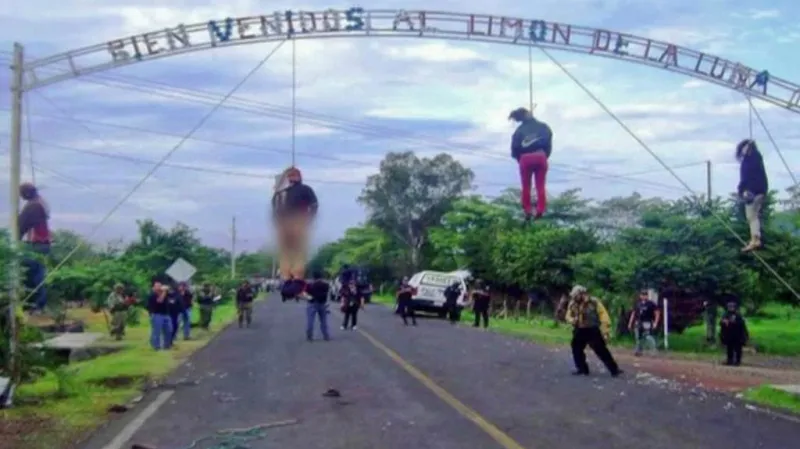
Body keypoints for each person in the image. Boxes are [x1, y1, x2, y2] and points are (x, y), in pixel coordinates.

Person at [272, 166, 318, 284]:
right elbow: (274, 209)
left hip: (298, 222)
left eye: (293, 175)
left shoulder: (305, 189)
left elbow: (314, 205)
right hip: (285, 224)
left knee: (297, 253)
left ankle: (296, 280)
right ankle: (288, 280)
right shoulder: (279, 194)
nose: (291, 178)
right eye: (290, 175)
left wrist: (307, 220)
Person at [565, 285, 622, 377]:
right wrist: (572, 320)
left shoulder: (594, 302)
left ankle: (614, 369)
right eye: (574, 296)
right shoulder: (573, 303)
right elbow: (568, 316)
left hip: (592, 329)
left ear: (582, 293)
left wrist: (605, 330)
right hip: (579, 329)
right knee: (576, 348)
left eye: (576, 295)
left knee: (601, 350)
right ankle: (582, 369)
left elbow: (603, 315)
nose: (574, 297)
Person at [508, 107, 553, 222]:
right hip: (540, 156)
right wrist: (544, 156)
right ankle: (540, 209)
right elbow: (548, 144)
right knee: (540, 185)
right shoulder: (544, 127)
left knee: (526, 186)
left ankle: (527, 210)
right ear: (528, 113)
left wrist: (521, 159)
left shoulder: (519, 131)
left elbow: (514, 150)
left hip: (525, 158)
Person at [18, 182, 51, 312]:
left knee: (32, 275)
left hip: (37, 244)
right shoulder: (40, 202)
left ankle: (35, 304)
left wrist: (15, 239)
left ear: (26, 194)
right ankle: (35, 304)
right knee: (36, 275)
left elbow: (22, 225)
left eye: (22, 194)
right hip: (42, 244)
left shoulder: (34, 206)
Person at [736, 139, 769, 252]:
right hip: (759, 191)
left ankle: (755, 240)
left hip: (754, 192)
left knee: (751, 216)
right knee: (753, 216)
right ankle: (755, 239)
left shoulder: (752, 158)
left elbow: (746, 178)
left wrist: (743, 191)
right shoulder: (751, 159)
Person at [627, 290, 660, 356]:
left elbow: (657, 313)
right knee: (638, 337)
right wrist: (630, 323)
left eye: (645, 295)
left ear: (647, 296)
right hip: (638, 322)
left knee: (647, 336)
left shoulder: (651, 304)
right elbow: (633, 313)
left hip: (647, 322)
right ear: (640, 296)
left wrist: (655, 322)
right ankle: (638, 351)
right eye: (642, 295)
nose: (643, 296)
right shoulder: (638, 304)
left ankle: (654, 349)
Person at [719, 298, 749, 366]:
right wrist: (724, 322)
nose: (731, 308)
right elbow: (721, 322)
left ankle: (737, 361)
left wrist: (732, 322)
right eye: (729, 307)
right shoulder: (726, 314)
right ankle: (729, 360)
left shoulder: (738, 315)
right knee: (729, 348)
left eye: (732, 307)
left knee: (738, 349)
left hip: (738, 335)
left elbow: (741, 324)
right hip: (729, 335)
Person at [305, 271, 331, 341]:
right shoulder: (325, 285)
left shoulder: (310, 285)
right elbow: (327, 294)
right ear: (321, 277)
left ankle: (309, 335)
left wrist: (309, 298)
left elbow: (305, 294)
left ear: (313, 277)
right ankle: (326, 335)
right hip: (322, 303)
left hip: (312, 303)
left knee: (310, 320)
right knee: (323, 321)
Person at [147, 283, 172, 350]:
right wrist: (164, 292)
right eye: (157, 286)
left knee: (169, 330)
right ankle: (156, 346)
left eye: (160, 286)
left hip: (166, 314)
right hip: (156, 314)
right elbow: (160, 301)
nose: (160, 287)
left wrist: (167, 290)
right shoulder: (152, 295)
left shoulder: (164, 294)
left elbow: (171, 296)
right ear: (154, 288)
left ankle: (166, 345)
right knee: (156, 331)